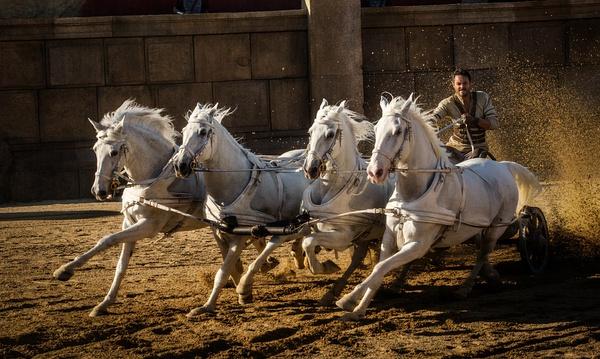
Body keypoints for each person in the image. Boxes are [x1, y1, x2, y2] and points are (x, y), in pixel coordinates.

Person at [430, 69, 499, 162]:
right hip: (454, 149)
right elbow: (433, 117)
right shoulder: (447, 103)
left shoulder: (483, 97)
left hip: (477, 150)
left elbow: (494, 124)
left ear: (470, 83)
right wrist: (426, 124)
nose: (462, 86)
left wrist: (475, 120)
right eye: (458, 84)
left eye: (465, 83)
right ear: (453, 85)